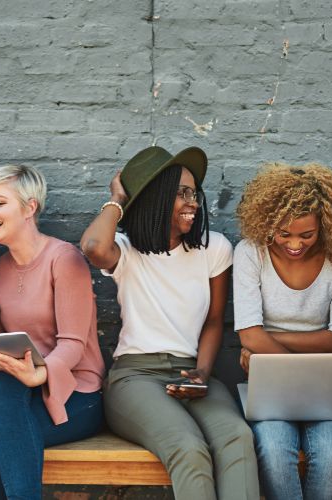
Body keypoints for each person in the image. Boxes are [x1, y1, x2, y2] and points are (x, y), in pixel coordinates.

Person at [80, 146, 259, 500]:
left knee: (237, 438)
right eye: (181, 194)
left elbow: (213, 322)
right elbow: (93, 246)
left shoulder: (214, 249)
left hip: (192, 372)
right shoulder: (127, 250)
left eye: (194, 193)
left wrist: (203, 374)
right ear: (157, 198)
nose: (192, 202)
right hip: (135, 378)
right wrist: (117, 198)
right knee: (188, 447)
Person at [0, 165, 105, 500]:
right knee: (0, 389)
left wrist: (39, 374)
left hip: (77, 393)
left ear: (30, 207)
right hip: (18, 393)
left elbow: (73, 345)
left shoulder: (64, 259)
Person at [233, 163, 332, 500]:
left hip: (327, 388)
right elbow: (247, 336)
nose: (294, 244)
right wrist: (258, 342)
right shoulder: (251, 253)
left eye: (307, 235)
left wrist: (267, 343)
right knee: (274, 455)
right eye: (284, 234)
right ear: (267, 223)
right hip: (269, 388)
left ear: (325, 227)